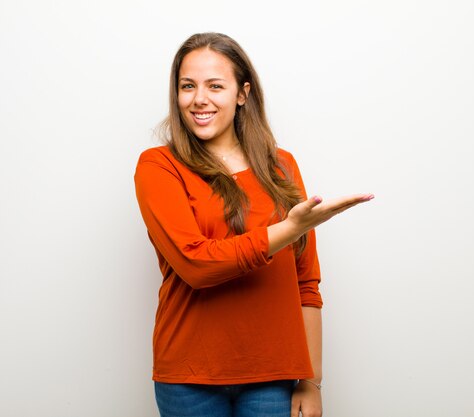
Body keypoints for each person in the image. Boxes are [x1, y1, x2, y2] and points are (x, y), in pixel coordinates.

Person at [134, 32, 373, 417]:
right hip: (189, 376)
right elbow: (196, 264)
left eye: (215, 86)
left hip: (273, 377)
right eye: (187, 86)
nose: (199, 99)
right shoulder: (158, 166)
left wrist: (311, 381)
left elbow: (305, 284)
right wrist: (289, 230)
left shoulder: (282, 166)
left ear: (242, 93)